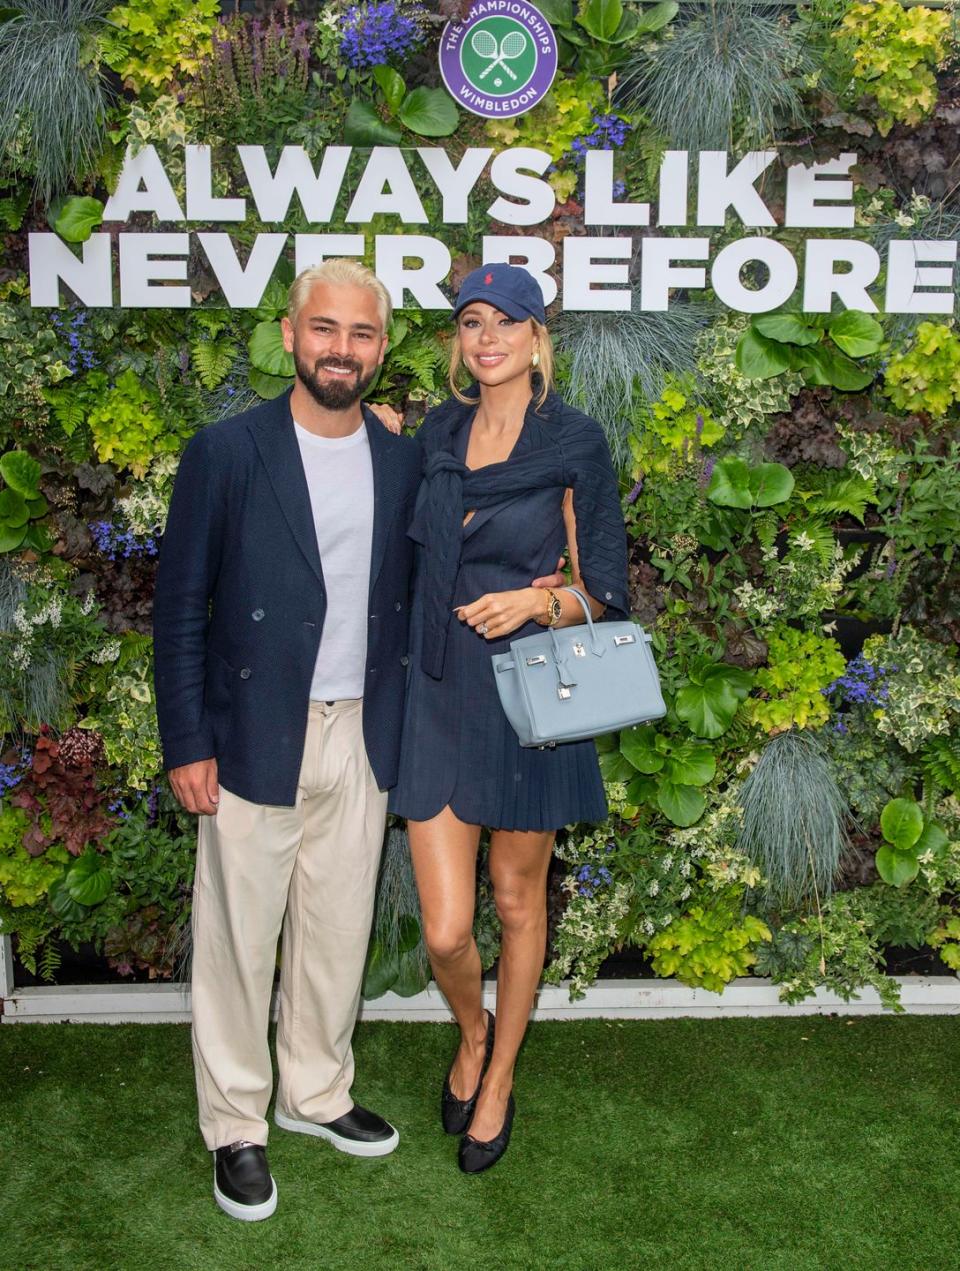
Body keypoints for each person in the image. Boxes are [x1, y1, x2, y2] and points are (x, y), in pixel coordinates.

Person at [152, 259, 423, 1221]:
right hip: (252, 731)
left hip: (362, 730)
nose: (341, 349)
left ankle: (316, 1092)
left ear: (381, 350)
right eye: (325, 329)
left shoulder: (403, 459)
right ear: (290, 333)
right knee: (237, 939)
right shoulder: (226, 453)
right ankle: (235, 1123)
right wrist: (187, 740)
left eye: (361, 334)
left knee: (336, 930)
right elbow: (181, 608)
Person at [389, 263, 629, 1173]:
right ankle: (471, 1025)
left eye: (507, 321)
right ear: (460, 340)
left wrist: (541, 605)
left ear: (537, 338)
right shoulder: (437, 430)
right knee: (448, 929)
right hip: (441, 693)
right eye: (471, 322)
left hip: (533, 696)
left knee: (516, 902)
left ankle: (497, 1076)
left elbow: (608, 588)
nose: (486, 337)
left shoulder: (574, 439)